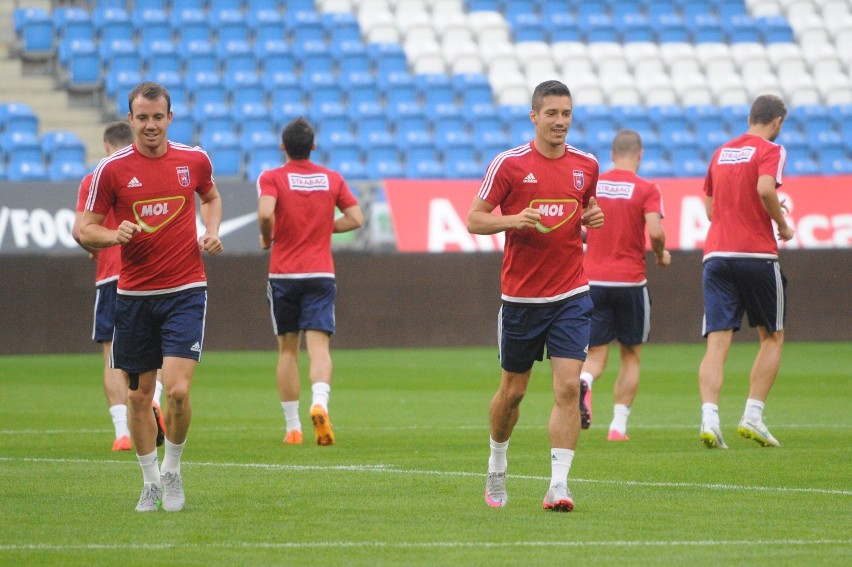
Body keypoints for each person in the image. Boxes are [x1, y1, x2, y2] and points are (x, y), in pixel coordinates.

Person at [79, 82, 223, 512]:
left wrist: (210, 230)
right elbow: (84, 229)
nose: (150, 125)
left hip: (185, 290)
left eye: (157, 117)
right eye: (141, 118)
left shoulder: (193, 160)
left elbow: (211, 197)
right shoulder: (112, 170)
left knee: (177, 390)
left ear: (169, 118)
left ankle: (173, 469)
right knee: (139, 398)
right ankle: (150, 482)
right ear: (130, 120)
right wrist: (112, 234)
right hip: (134, 295)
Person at [467, 80, 604, 512]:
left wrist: (593, 215)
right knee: (513, 393)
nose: (560, 122)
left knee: (567, 386)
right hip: (522, 299)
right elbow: (474, 219)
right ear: (534, 117)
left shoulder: (587, 164)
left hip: (571, 295)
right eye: (551, 114)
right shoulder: (508, 165)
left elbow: (585, 208)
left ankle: (558, 486)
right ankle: (497, 462)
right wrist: (511, 220)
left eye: (566, 114)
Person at [257, 117, 363, 447]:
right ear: (313, 146)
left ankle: (292, 428)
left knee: (288, 350)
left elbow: (264, 213)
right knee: (319, 348)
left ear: (283, 147)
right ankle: (320, 402)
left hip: (285, 274)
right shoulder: (331, 178)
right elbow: (357, 218)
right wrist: (322, 227)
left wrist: (267, 237)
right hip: (320, 273)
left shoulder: (272, 177)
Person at [697, 94, 794, 450]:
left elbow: (709, 208)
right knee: (772, 335)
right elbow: (765, 188)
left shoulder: (721, 152)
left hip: (717, 254)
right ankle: (752, 415)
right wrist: (780, 223)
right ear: (777, 121)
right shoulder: (771, 149)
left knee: (718, 341)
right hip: (755, 254)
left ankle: (709, 418)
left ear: (751, 116)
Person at [72, 122, 167, 452]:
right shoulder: (152, 171)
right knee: (157, 351)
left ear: (106, 145)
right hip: (152, 277)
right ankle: (153, 398)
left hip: (112, 276)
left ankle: (122, 433)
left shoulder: (95, 177)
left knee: (112, 356)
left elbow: (78, 230)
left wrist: (95, 251)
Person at [578, 129, 671, 441]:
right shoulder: (646, 188)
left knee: (595, 353)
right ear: (640, 154)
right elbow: (656, 231)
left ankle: (586, 381)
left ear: (613, 154)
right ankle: (618, 427)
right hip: (630, 281)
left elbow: (576, 227)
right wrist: (660, 254)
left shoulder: (596, 185)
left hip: (593, 281)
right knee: (630, 354)